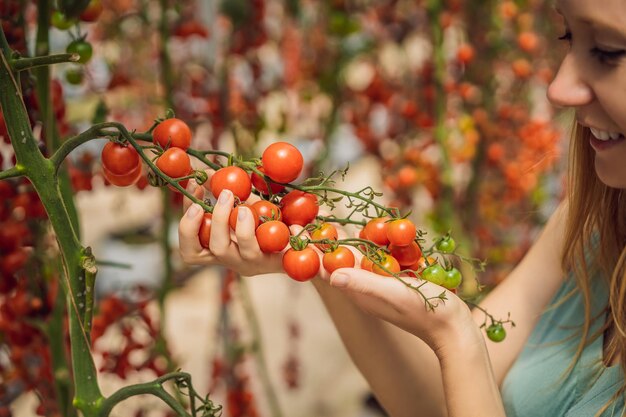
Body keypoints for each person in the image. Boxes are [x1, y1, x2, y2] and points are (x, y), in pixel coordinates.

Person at [178, 0, 626, 415]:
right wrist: (320, 259)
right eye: (567, 37)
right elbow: (438, 403)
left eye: (607, 51)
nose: (558, 88)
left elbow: (467, 363)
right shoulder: (594, 222)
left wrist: (456, 337)